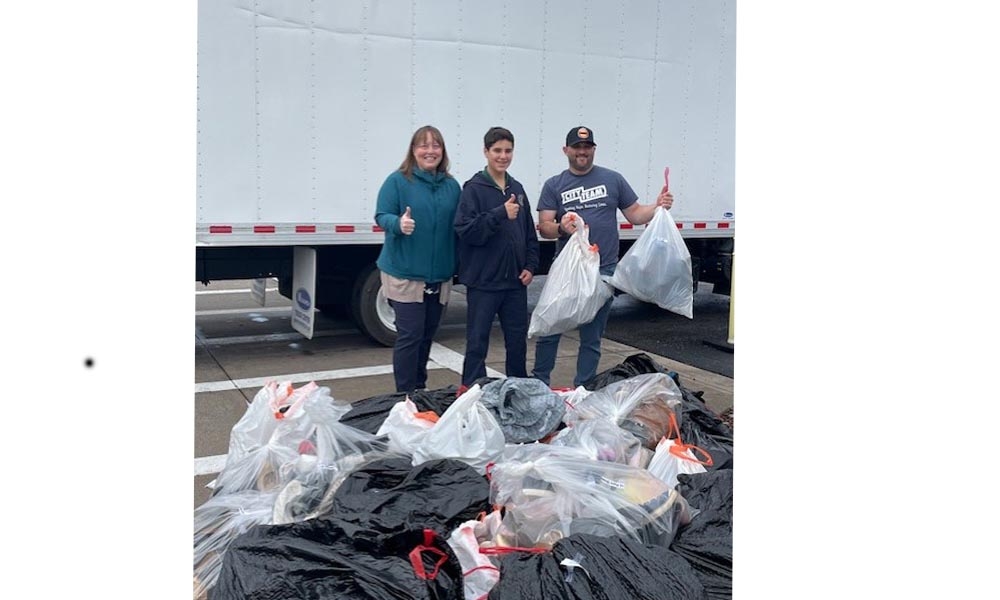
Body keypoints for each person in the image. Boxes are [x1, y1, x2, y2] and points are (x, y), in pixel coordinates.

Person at [532, 126, 674, 387]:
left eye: (587, 147)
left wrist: (657, 205)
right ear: (566, 150)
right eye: (576, 147)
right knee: (550, 329)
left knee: (592, 337)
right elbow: (545, 226)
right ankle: (539, 384)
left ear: (593, 149)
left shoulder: (613, 179)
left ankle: (584, 389)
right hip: (569, 273)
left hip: (605, 270)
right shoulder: (554, 184)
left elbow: (635, 214)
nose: (582, 151)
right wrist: (562, 226)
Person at [374, 125, 461, 395]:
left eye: (436, 145)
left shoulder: (451, 186)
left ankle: (419, 389)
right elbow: (381, 215)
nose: (430, 151)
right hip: (405, 273)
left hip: (438, 275)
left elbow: (461, 225)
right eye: (423, 145)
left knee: (426, 337)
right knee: (410, 336)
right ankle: (404, 396)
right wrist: (398, 224)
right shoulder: (398, 181)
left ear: (442, 152)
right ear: (413, 150)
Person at [454, 127, 540, 392]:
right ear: (486, 152)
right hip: (483, 282)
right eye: (497, 151)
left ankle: (518, 391)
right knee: (477, 341)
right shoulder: (474, 189)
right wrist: (499, 213)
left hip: (514, 283)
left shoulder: (518, 188)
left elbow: (529, 235)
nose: (503, 156)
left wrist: (529, 266)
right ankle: (472, 391)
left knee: (517, 342)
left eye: (508, 151)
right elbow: (466, 231)